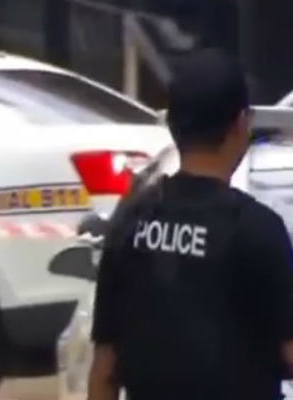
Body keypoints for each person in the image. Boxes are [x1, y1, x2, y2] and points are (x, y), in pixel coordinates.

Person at [87, 48, 293, 400]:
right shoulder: (258, 231)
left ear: (171, 126)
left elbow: (105, 372)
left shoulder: (131, 221)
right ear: (240, 124)